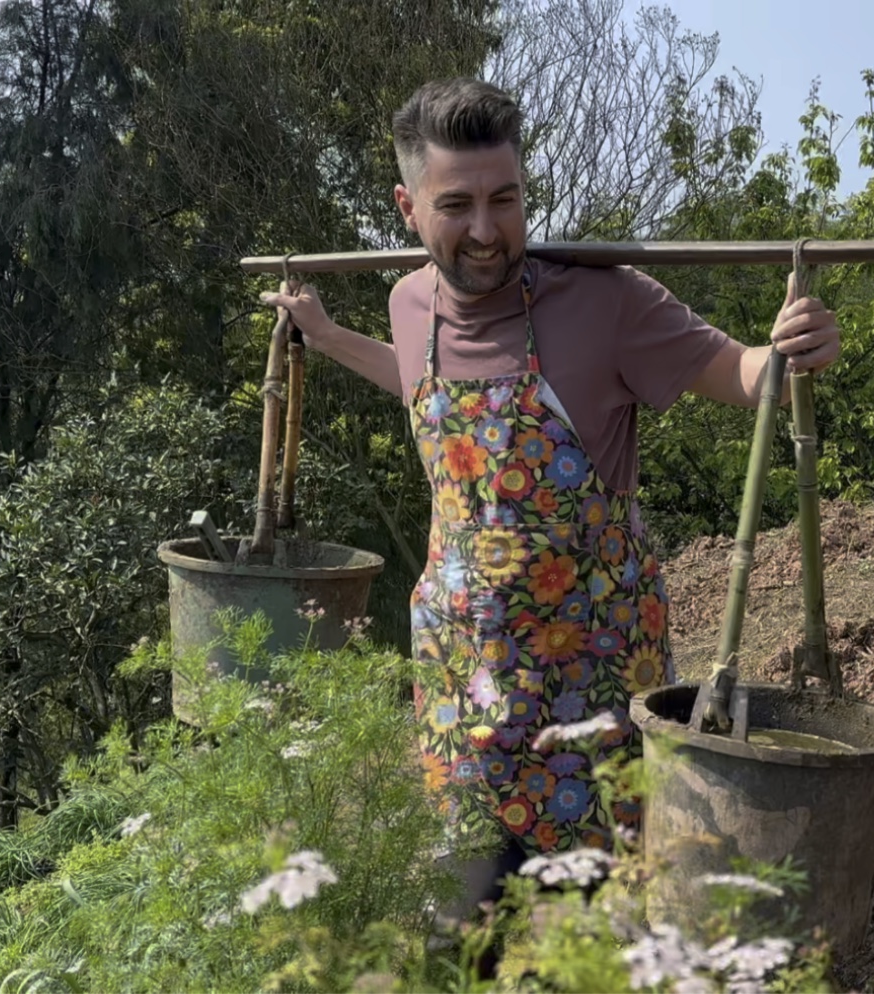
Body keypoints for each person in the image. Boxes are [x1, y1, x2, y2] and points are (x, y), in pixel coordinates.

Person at [261, 76, 840, 916]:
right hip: (462, 679)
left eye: (507, 198)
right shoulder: (407, 301)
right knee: (461, 933)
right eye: (456, 205)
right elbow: (425, 394)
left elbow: (741, 373)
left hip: (589, 685)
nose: (487, 231)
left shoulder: (604, 302)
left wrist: (789, 350)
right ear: (406, 206)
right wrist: (328, 337)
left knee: (601, 929)